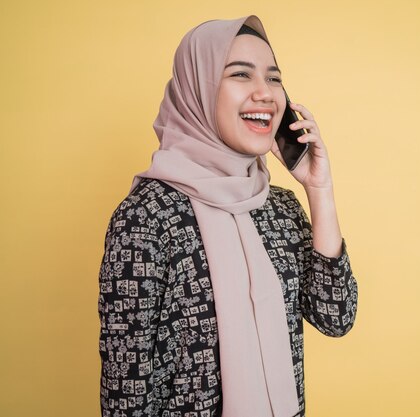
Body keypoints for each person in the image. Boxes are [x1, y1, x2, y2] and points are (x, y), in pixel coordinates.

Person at [98, 15, 358, 417]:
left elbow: (335, 316)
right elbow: (126, 392)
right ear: (197, 90)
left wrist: (319, 190)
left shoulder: (280, 208)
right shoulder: (146, 219)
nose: (266, 93)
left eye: (274, 78)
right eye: (241, 75)